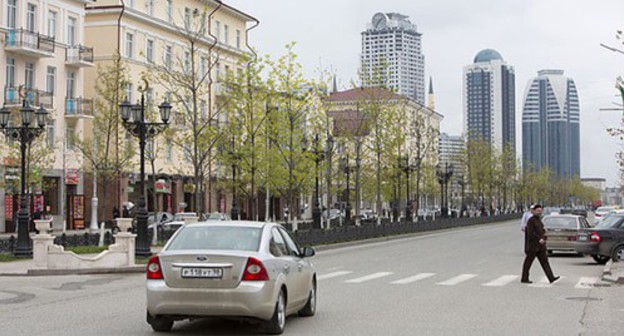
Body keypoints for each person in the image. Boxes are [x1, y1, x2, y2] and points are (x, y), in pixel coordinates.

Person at [521, 204, 560, 284]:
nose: (539, 212)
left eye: (540, 211)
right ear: (534, 211)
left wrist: (544, 237)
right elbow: (530, 233)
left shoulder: (539, 220)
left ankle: (551, 277)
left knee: (545, 262)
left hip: (541, 247)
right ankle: (524, 278)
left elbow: (542, 231)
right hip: (533, 246)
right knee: (528, 262)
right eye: (538, 211)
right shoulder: (531, 220)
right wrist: (539, 239)